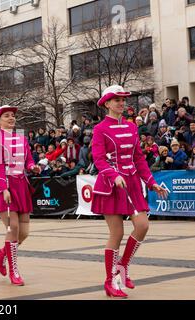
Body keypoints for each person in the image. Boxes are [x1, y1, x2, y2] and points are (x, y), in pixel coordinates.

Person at [91, 85, 168, 298]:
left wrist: (151, 182)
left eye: (124, 99)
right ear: (107, 103)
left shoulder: (132, 127)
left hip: (132, 183)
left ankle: (123, 266)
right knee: (117, 233)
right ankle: (110, 281)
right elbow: (98, 159)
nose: (122, 103)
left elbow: (138, 158)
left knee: (142, 226)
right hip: (111, 185)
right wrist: (112, 174)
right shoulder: (100, 129)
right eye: (117, 99)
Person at [0, 105, 41, 286]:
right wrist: (4, 188)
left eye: (12, 116)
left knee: (24, 232)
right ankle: (14, 271)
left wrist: (32, 166)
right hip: (5, 186)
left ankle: (3, 252)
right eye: (6, 116)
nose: (11, 118)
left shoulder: (22, 139)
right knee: (14, 228)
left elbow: (28, 159)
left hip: (21, 186)